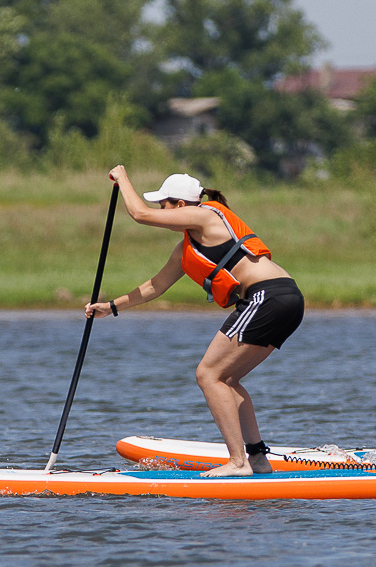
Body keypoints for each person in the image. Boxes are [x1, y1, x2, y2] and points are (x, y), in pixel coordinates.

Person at [86, 168, 304, 476]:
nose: (162, 211)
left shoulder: (205, 216)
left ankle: (237, 462)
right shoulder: (185, 249)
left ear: (179, 204)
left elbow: (138, 213)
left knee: (207, 374)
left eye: (164, 204)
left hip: (267, 297)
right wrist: (111, 306)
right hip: (285, 298)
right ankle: (257, 459)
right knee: (226, 379)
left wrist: (122, 178)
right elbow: (155, 287)